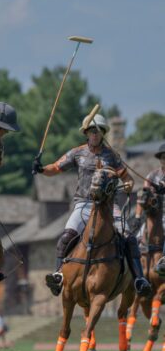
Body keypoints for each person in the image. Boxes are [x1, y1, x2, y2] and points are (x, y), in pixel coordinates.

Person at [32, 113, 151, 297]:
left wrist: (127, 185)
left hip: (109, 206)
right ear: (86, 133)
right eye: (92, 131)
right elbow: (55, 167)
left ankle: (139, 279)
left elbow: (127, 178)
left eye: (99, 131)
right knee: (65, 237)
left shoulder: (112, 156)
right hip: (84, 205)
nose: (95, 134)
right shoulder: (77, 152)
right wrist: (41, 169)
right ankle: (58, 276)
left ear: (103, 133)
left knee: (129, 238)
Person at [134, 143, 165, 275]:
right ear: (160, 159)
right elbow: (143, 196)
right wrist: (137, 217)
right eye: (163, 157)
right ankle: (134, 270)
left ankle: (163, 261)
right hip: (153, 214)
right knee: (137, 238)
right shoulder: (152, 176)